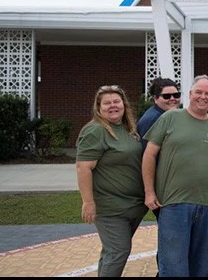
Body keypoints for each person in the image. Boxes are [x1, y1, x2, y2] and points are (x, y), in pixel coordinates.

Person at [142, 75, 208, 277]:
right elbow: (149, 154)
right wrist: (149, 192)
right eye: (198, 92)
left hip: (206, 206)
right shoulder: (170, 118)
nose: (203, 97)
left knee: (200, 265)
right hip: (174, 204)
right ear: (190, 94)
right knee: (173, 265)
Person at [75, 85, 148, 277]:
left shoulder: (127, 129)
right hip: (111, 208)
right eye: (107, 103)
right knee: (118, 251)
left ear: (124, 104)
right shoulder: (95, 131)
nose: (113, 106)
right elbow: (83, 167)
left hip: (133, 205)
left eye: (117, 101)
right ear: (98, 108)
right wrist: (88, 202)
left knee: (111, 252)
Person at [135, 77, 181, 276]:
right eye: (166, 96)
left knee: (173, 237)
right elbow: (148, 158)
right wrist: (150, 192)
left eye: (176, 94)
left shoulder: (169, 116)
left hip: (171, 188)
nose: (172, 99)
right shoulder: (153, 119)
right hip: (163, 191)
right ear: (155, 98)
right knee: (172, 238)